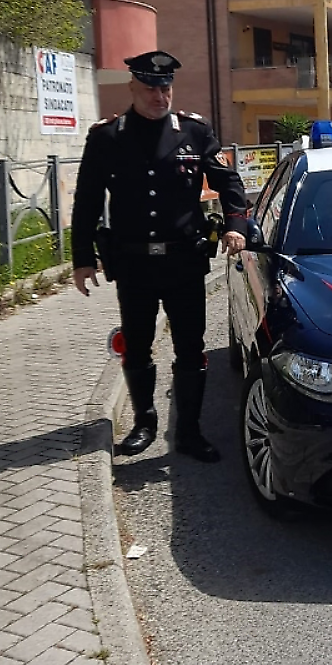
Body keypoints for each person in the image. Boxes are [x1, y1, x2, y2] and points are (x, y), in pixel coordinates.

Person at [71, 50, 247, 463]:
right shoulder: (107, 137)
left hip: (184, 261)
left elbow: (229, 181)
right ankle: (144, 423)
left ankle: (188, 431)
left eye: (165, 87)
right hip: (134, 265)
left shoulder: (195, 133)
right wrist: (81, 257)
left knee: (190, 347)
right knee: (137, 345)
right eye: (150, 87)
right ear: (132, 86)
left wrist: (236, 225)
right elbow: (87, 200)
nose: (159, 95)